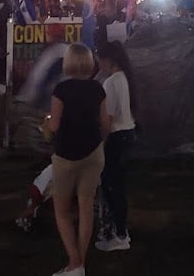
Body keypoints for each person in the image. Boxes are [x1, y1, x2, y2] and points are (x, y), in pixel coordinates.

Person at [47, 43, 110, 276]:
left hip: (65, 154)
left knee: (62, 210)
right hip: (93, 152)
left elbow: (54, 125)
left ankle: (74, 262)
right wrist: (100, 142)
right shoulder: (98, 89)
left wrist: (46, 125)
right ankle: (80, 262)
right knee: (86, 207)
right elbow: (106, 124)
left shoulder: (61, 90)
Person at [95, 41, 137, 253]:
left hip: (116, 138)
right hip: (127, 134)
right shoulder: (123, 78)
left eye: (99, 60)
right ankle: (121, 232)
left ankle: (120, 234)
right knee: (118, 187)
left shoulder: (111, 82)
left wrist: (100, 144)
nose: (98, 64)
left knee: (113, 188)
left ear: (108, 60)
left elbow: (107, 119)